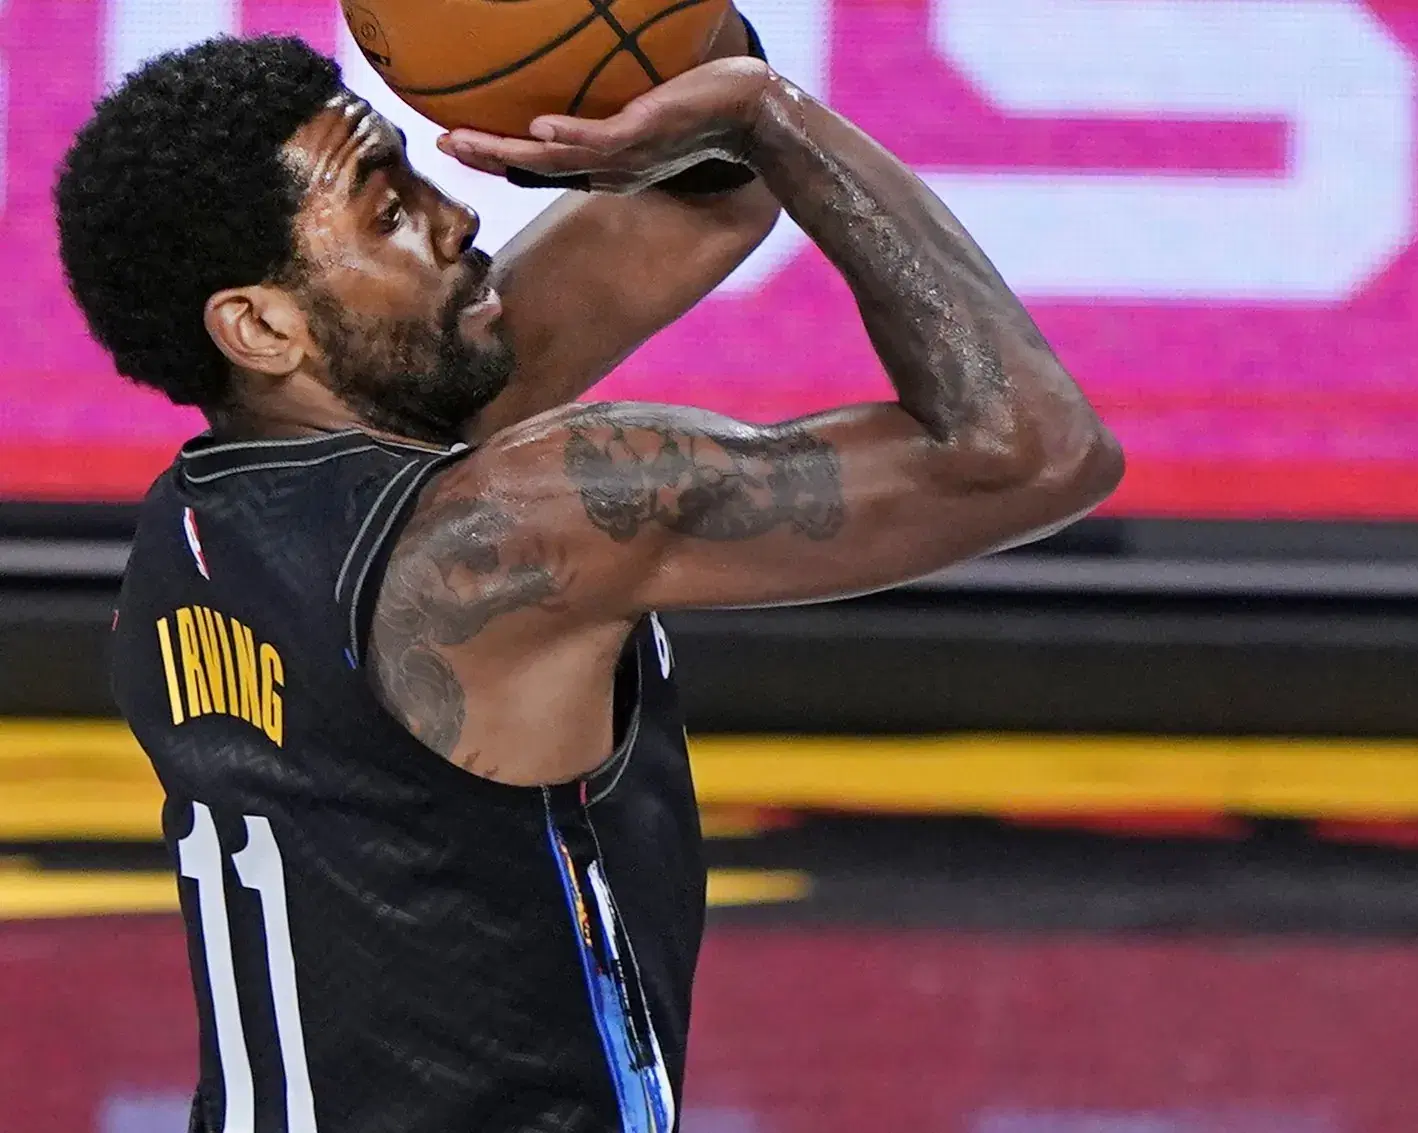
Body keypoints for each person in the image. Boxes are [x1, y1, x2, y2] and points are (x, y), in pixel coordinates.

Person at [58, 7, 1122, 1130]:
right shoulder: (512, 531)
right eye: (387, 213)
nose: (455, 213)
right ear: (261, 328)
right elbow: (1031, 453)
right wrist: (770, 112)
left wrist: (686, 83)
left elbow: (705, 200)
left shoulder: (188, 532)